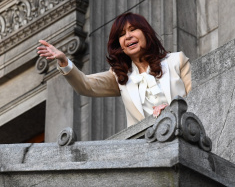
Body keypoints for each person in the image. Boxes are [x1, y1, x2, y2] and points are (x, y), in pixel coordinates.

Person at [37, 12, 191, 127]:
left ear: (146, 33)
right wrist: (64, 62)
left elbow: (196, 99)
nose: (128, 36)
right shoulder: (121, 78)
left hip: (185, 133)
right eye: (122, 34)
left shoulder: (176, 61)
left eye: (133, 29)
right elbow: (86, 85)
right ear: (120, 46)